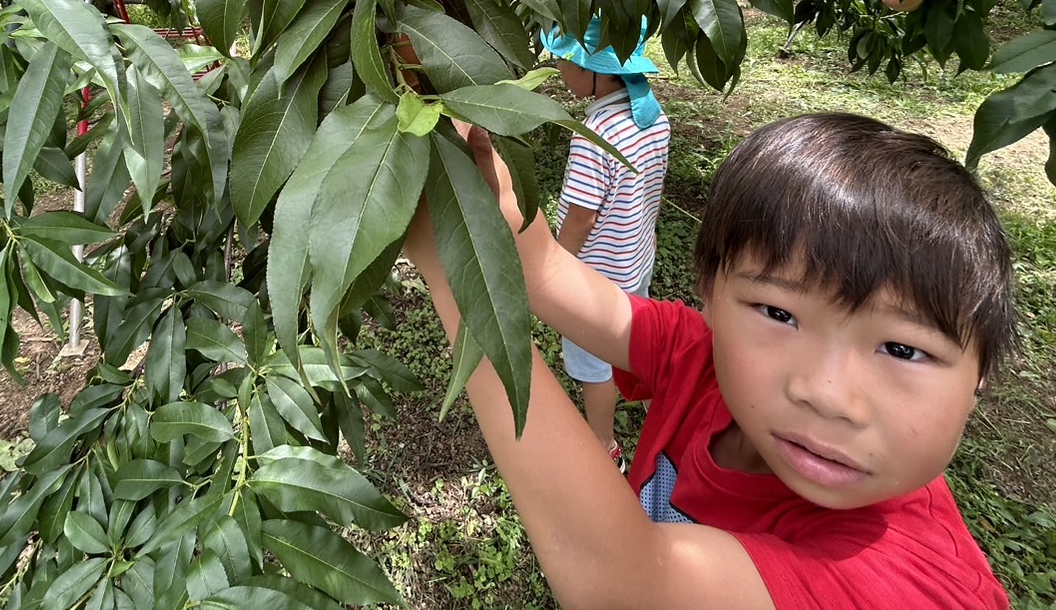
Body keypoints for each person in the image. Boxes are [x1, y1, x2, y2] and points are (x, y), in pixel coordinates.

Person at [402, 112, 1015, 609]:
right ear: (709, 292)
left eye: (903, 349)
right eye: (778, 314)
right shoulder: (698, 356)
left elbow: (619, 584)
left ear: (980, 372)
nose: (826, 392)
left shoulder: (914, 584)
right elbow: (544, 271)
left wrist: (458, 278)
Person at [539, 17, 671, 463]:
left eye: (565, 61)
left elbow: (579, 218)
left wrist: (552, 266)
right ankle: (665, 413)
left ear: (596, 70)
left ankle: (603, 445)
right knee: (636, 335)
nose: (560, 70)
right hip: (635, 257)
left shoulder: (596, 137)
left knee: (595, 362)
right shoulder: (654, 115)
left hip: (596, 275)